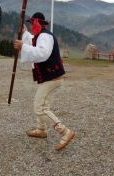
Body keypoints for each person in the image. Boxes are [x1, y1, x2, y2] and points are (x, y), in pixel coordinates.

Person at [13, 12, 75, 151]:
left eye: (31, 23)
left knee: (40, 107)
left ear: (37, 23)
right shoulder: (40, 35)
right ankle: (42, 129)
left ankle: (65, 131)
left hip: (52, 78)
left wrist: (22, 46)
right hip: (49, 77)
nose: (30, 26)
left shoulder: (45, 36)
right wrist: (24, 33)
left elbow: (42, 53)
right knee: (41, 103)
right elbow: (31, 42)